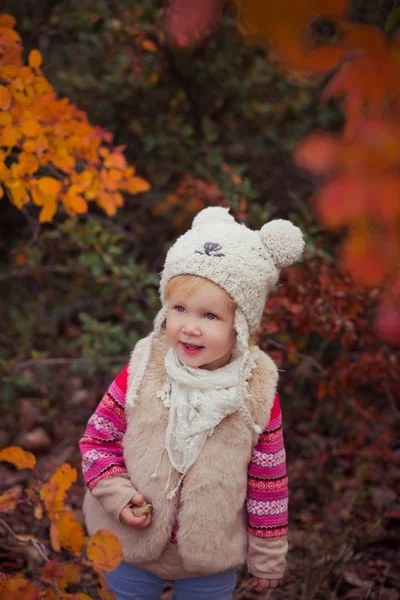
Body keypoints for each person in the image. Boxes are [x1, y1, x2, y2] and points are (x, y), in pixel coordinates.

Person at [79, 206, 304, 599]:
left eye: (211, 315)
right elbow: (98, 440)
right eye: (179, 309)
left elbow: (268, 480)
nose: (190, 327)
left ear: (241, 327)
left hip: (207, 557)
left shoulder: (256, 392)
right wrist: (117, 494)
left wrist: (267, 554)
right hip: (131, 543)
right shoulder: (143, 370)